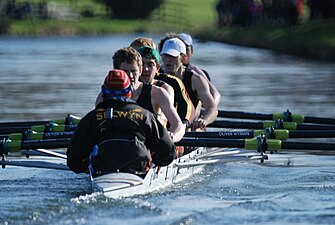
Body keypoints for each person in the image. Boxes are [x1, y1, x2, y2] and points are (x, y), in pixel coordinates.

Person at [67, 69, 176, 176]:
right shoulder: (145, 116)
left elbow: (73, 160)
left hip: (103, 172)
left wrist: (86, 167)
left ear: (104, 93)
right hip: (138, 172)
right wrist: (156, 162)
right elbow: (168, 152)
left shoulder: (92, 118)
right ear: (129, 92)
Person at [96, 46, 185, 143]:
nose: (130, 76)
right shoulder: (104, 96)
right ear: (117, 72)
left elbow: (178, 126)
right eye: (125, 71)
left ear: (140, 71)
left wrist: (171, 138)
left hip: (149, 150)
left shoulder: (157, 93)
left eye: (133, 71)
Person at [160, 38, 218, 131]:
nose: (168, 60)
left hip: (189, 131)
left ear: (183, 58)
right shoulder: (156, 76)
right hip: (165, 129)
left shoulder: (196, 80)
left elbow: (212, 108)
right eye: (165, 56)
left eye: (172, 56)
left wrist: (203, 121)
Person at [136, 45, 195, 127]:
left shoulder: (165, 88)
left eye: (150, 65)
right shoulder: (126, 85)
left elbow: (163, 118)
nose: (145, 69)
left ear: (157, 68)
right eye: (142, 64)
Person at [158, 32, 221, 108]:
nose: (168, 59)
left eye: (187, 49)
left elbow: (215, 95)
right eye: (166, 55)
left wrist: (208, 113)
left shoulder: (196, 74)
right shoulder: (157, 73)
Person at [179, 33, 221, 107]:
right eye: (180, 50)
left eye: (186, 49)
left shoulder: (198, 73)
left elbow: (216, 95)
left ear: (191, 51)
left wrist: (209, 111)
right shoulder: (163, 71)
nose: (184, 54)